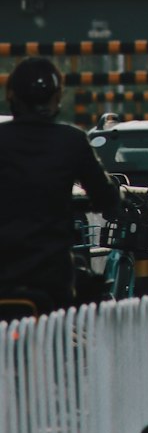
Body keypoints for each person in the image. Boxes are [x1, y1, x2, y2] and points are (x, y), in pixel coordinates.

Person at [0, 58, 119, 311]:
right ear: (56, 98)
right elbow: (104, 194)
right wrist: (113, 201)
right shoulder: (72, 141)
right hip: (52, 275)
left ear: (12, 96)